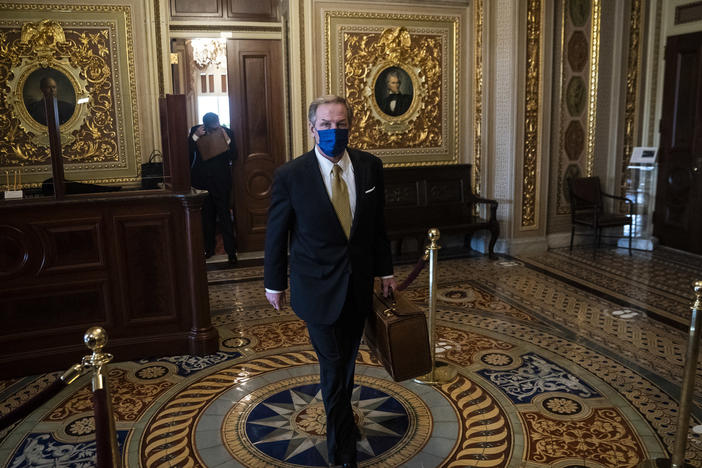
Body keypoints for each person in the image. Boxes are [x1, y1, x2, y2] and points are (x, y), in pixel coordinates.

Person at [264, 95, 397, 468]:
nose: (333, 131)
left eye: (341, 124)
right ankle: (341, 448)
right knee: (334, 364)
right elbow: (276, 234)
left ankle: (342, 422)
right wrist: (274, 283)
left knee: (347, 360)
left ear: (350, 127)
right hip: (316, 288)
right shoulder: (290, 175)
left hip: (358, 287)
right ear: (311, 129)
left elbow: (377, 227)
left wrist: (385, 272)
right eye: (325, 125)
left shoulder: (371, 167)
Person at [189, 112, 238, 265]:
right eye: (212, 127)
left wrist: (226, 139)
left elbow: (234, 155)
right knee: (207, 219)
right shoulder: (195, 131)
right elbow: (187, 154)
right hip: (203, 183)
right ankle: (208, 250)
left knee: (225, 217)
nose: (215, 128)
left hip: (221, 183)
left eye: (217, 124)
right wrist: (195, 137)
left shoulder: (227, 132)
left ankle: (231, 253)